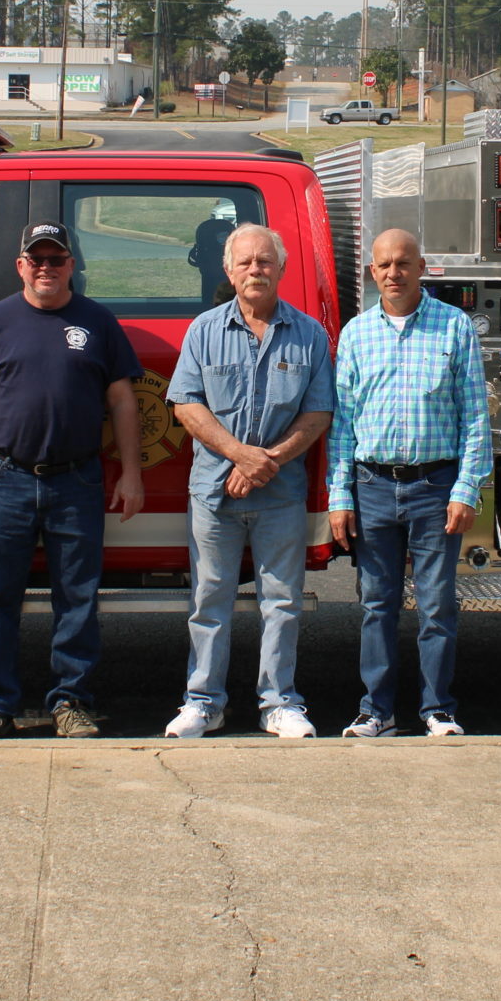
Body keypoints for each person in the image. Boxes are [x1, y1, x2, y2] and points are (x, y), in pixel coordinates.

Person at [0, 221, 146, 738]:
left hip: (77, 479)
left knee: (77, 598)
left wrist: (131, 473)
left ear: (71, 266)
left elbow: (123, 402)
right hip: (5, 478)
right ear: (21, 266)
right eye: (36, 259)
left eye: (56, 259)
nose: (46, 268)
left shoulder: (98, 322)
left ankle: (71, 702)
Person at [162, 223, 334, 740]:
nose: (255, 269)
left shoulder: (309, 335)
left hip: (280, 495)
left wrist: (266, 462)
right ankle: (202, 703)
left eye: (264, 261)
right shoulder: (203, 331)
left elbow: (318, 412)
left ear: (281, 268)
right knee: (208, 600)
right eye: (245, 262)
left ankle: (280, 704)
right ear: (228, 270)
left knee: (281, 601)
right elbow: (185, 405)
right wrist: (239, 455)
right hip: (213, 492)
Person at [327, 228, 492, 738]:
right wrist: (340, 495)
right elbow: (343, 424)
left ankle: (438, 710)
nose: (393, 273)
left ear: (421, 268)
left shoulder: (454, 326)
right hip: (373, 486)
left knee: (437, 605)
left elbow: (475, 416)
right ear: (372, 272)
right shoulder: (356, 334)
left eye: (403, 263)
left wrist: (466, 489)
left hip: (435, 487)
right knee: (376, 604)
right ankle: (375, 711)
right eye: (384, 265)